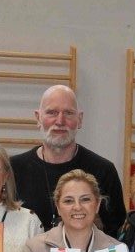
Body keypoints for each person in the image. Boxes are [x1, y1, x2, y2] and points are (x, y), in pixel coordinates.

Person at [9, 85, 126, 236]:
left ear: (80, 119)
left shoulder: (104, 171)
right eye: (52, 112)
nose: (60, 121)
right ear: (38, 118)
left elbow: (115, 234)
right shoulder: (13, 169)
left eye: (68, 113)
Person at [9, 169, 121, 252]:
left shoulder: (116, 250)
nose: (77, 207)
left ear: (97, 205)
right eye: (68, 201)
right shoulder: (34, 247)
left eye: (85, 199)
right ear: (58, 207)